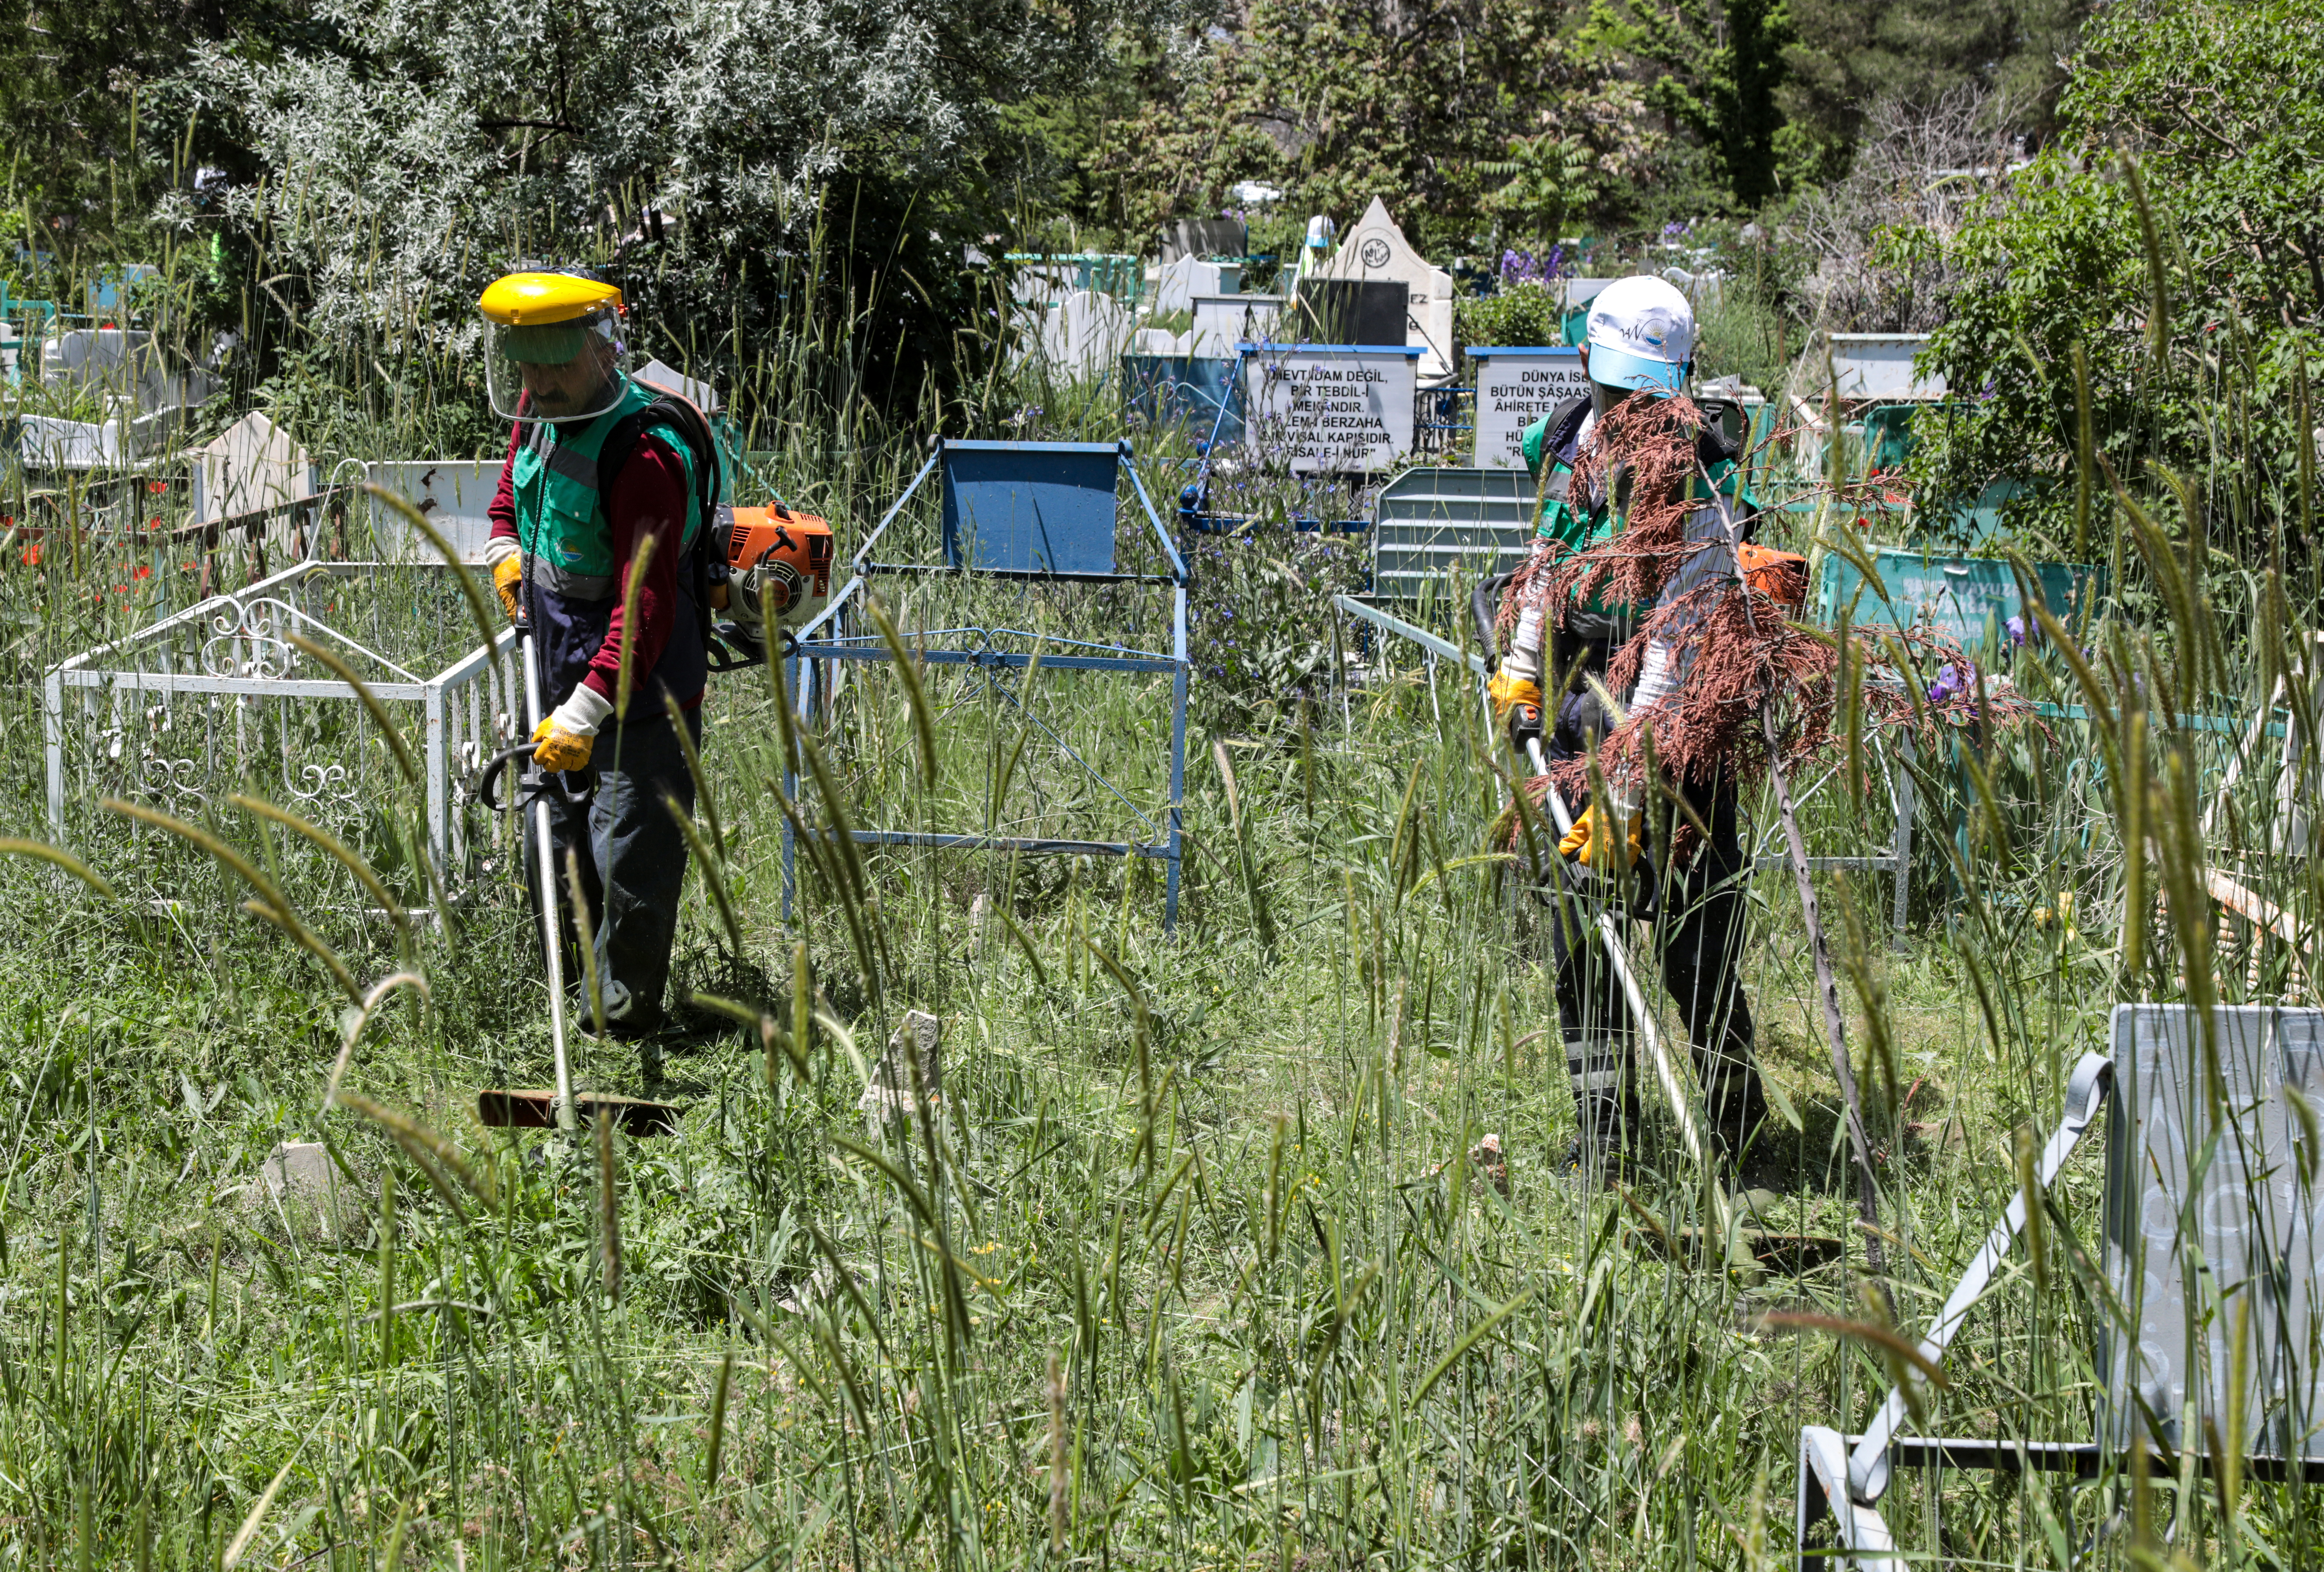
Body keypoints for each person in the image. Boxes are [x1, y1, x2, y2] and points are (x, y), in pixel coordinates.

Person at [1485, 274, 1769, 1159]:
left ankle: (1736, 1127)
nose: (1628, 413)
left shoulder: (1708, 479)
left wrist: (1634, 786)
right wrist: (1523, 670)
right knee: (1584, 938)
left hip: (1680, 732)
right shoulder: (1570, 441)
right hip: (1580, 710)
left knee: (1697, 943)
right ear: (1585, 366)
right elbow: (1546, 557)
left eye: (1647, 395)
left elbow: (1680, 634)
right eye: (1614, 390)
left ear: (1684, 384)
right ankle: (1603, 1135)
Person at [478, 270, 710, 1064]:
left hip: (639, 696)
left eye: (556, 366)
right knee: (557, 844)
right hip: (557, 667)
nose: (538, 384)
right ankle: (570, 994)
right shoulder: (541, 411)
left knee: (628, 861)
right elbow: (512, 493)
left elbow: (643, 608)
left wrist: (588, 709)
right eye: (526, 368)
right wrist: (506, 546)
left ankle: (622, 1027)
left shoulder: (643, 454)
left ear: (602, 352)